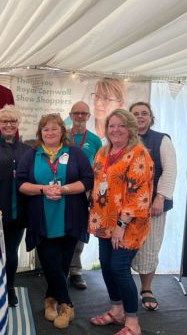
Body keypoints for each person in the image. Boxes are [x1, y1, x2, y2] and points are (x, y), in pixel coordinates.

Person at [16, 113, 93, 329]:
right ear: (40, 133)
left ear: (62, 132)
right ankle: (67, 305)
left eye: (54, 129)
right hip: (42, 221)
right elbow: (20, 182)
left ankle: (50, 300)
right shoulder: (32, 155)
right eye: (45, 129)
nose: (50, 132)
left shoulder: (75, 154)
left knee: (61, 265)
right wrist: (43, 189)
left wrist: (64, 189)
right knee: (50, 263)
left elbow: (87, 180)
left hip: (70, 218)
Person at [89, 109, 154, 335]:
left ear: (131, 129)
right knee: (106, 264)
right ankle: (116, 310)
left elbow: (139, 194)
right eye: (111, 126)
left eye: (121, 126)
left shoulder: (139, 154)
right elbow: (97, 183)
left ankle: (133, 322)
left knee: (119, 267)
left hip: (129, 224)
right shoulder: (103, 152)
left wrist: (121, 226)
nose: (115, 130)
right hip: (104, 221)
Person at [129, 102, 177, 311]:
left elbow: (170, 171)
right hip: (126, 208)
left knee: (150, 248)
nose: (140, 117)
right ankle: (122, 290)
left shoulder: (162, 140)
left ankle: (146, 289)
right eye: (135, 114)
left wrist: (161, 198)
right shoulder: (122, 138)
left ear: (151, 117)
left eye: (144, 113)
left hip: (153, 207)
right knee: (123, 249)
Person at [0, 105, 31, 307]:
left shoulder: (28, 150)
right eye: (5, 121)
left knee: (11, 252)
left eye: (13, 121)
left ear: (18, 123)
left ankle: (9, 286)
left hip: (18, 210)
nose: (8, 125)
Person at [67, 101, 103, 290]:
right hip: (64, 188)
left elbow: (100, 167)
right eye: (76, 113)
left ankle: (76, 271)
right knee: (62, 228)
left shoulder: (96, 140)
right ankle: (60, 269)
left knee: (80, 230)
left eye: (84, 113)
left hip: (85, 189)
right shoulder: (63, 136)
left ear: (89, 116)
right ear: (71, 115)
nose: (80, 116)